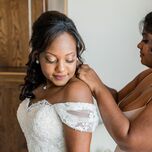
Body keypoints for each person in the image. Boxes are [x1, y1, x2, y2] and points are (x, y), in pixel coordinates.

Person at [17, 10, 99, 152]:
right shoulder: (41, 84)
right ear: (37, 56)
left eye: (69, 59)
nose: (61, 68)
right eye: (51, 60)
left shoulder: (76, 91)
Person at [78, 11, 152, 152]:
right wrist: (89, 78)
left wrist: (97, 87)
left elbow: (130, 141)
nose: (139, 45)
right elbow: (116, 99)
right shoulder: (147, 75)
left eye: (146, 40)